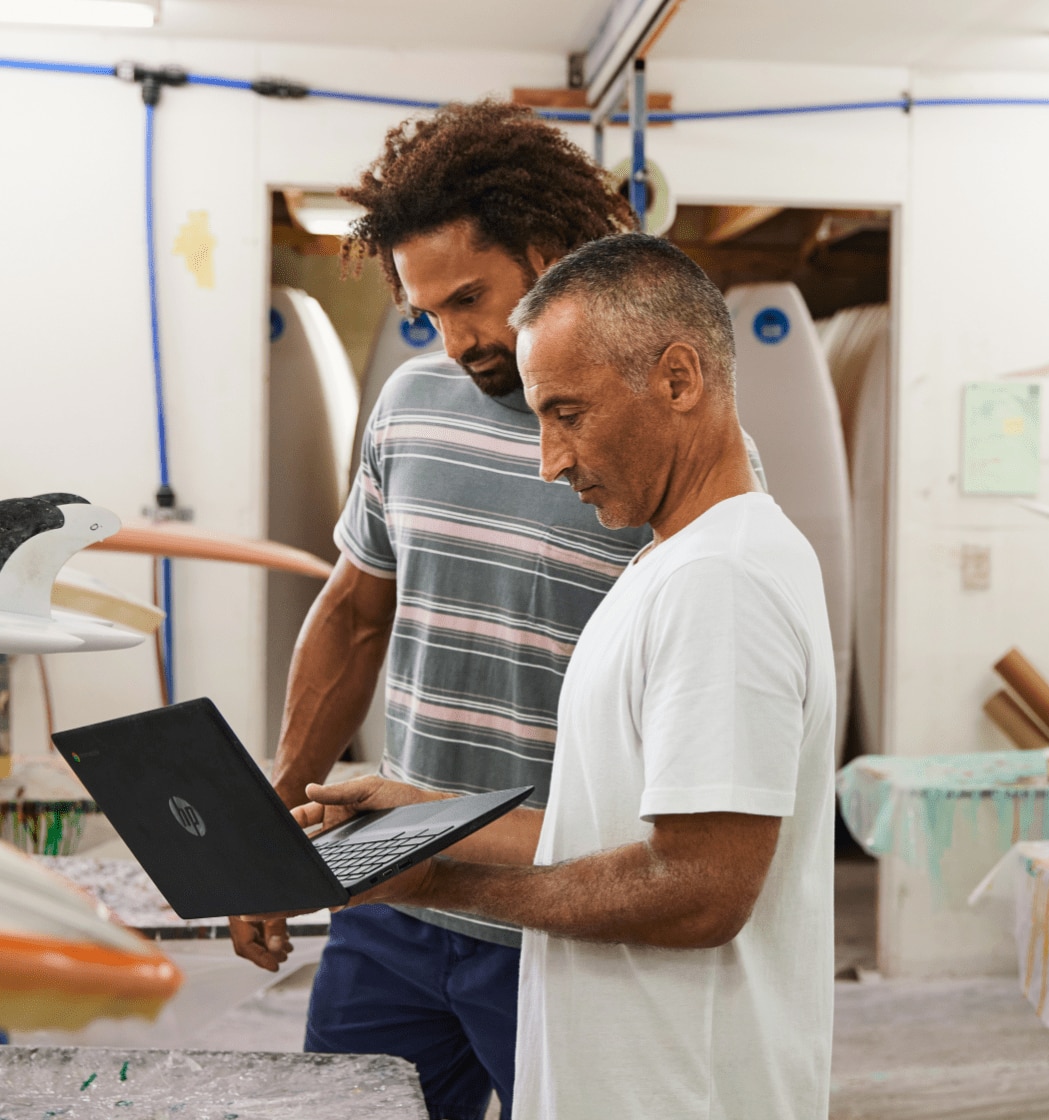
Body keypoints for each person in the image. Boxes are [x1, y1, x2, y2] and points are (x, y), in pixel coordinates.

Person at [283, 234, 837, 1119]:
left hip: (677, 1092)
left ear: (679, 380)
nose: (549, 459)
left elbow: (701, 891)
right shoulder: (673, 562)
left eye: (568, 414)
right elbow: (608, 827)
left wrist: (437, 884)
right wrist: (426, 819)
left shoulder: (720, 582)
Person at [228, 101, 650, 1120]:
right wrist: (272, 824)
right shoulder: (412, 406)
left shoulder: (654, 438)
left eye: (472, 298)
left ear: (549, 254)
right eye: (429, 313)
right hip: (397, 898)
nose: (456, 338)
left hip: (560, 915)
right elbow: (354, 615)